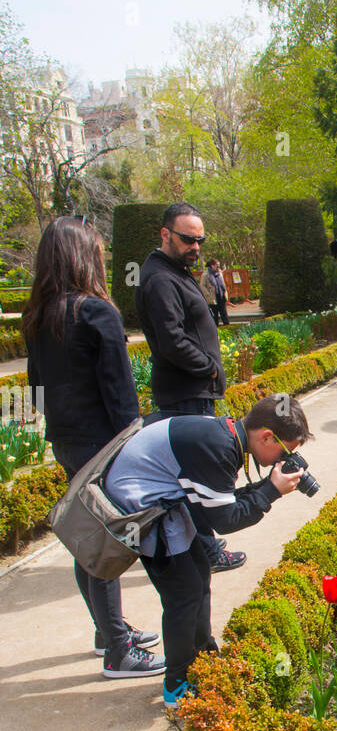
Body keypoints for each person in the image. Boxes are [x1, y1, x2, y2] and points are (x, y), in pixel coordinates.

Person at [24, 215, 164, 680]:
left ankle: (109, 631)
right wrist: (136, 445)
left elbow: (35, 387)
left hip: (66, 440)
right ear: (84, 257)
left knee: (87, 538)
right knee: (104, 542)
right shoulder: (95, 312)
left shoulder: (39, 316)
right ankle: (118, 651)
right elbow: (120, 392)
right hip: (103, 444)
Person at [104, 394, 310, 706]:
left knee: (199, 578)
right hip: (141, 508)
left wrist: (264, 487)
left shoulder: (225, 435)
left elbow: (221, 501)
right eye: (286, 452)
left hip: (164, 499)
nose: (284, 460)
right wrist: (271, 491)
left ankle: (203, 658)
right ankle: (177, 684)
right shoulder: (218, 447)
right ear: (266, 436)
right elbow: (226, 520)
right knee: (184, 594)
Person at [136, 203, 243, 574]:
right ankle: (206, 553)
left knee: (193, 475)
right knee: (195, 477)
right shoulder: (159, 279)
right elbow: (171, 341)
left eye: (200, 239)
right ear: (165, 234)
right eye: (187, 239)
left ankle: (204, 543)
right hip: (185, 392)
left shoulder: (174, 270)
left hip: (192, 389)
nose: (195, 246)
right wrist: (210, 369)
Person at [202, 259, 230, 327]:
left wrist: (225, 292)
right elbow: (202, 286)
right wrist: (208, 295)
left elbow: (222, 284)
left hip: (221, 296)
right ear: (212, 266)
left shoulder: (219, 273)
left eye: (219, 266)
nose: (218, 267)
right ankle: (216, 332)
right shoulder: (205, 274)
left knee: (224, 315)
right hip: (212, 298)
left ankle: (228, 329)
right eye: (217, 266)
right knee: (214, 316)